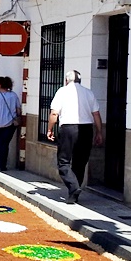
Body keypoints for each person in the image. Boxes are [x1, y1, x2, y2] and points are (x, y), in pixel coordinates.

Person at [47, 70, 103, 203]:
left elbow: (54, 113)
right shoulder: (88, 92)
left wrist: (49, 129)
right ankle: (74, 193)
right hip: (86, 129)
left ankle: (73, 188)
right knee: (80, 162)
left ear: (66, 80)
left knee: (63, 162)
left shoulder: (62, 91)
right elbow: (96, 114)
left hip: (68, 129)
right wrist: (99, 132)